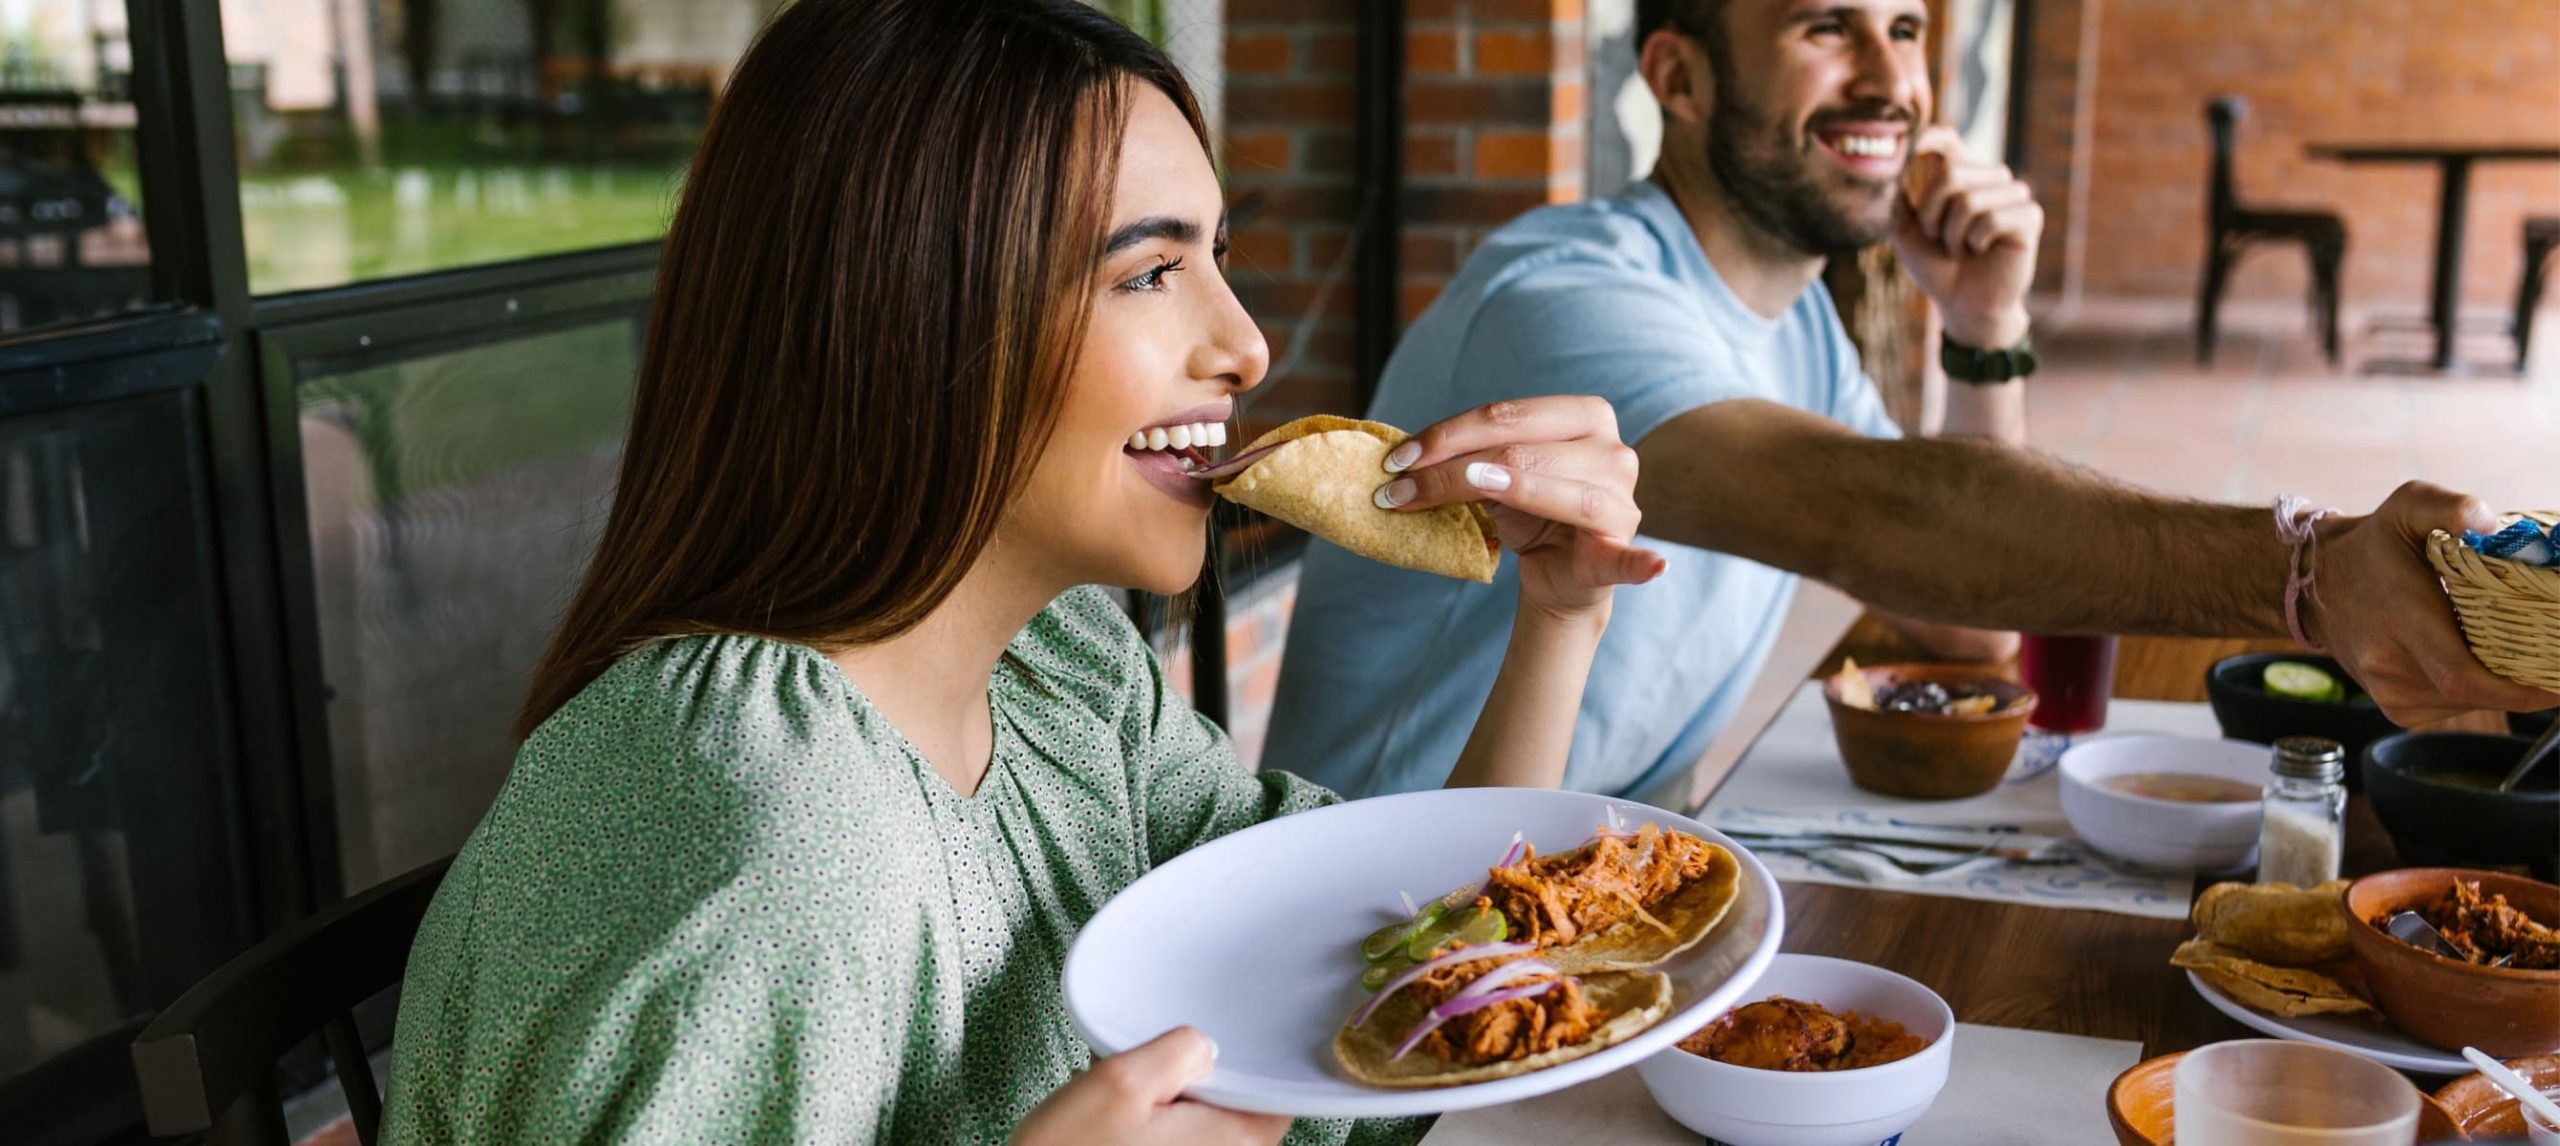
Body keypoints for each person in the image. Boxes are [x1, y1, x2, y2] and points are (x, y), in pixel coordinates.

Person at [375, 3, 1661, 1144]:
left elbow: (1382, 986)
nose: (1249, 345)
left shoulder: (1060, 668)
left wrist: (1560, 618)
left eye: (1222, 256)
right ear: (911, 314)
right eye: (1151, 272)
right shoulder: (761, 819)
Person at [1264, 0, 2559, 801]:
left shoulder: (1797, 326)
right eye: (1828, 26)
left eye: (1908, 28)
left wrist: (1984, 335)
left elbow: (1957, 626)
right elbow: (1871, 519)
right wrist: (2306, 573)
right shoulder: (1566, 298)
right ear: (1679, 76)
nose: (1892, 80)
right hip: (1389, 932)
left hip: (1579, 892)